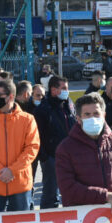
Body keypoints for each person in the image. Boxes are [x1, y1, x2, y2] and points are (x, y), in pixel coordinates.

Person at [55, 94, 112, 210]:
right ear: (78, 119)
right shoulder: (65, 148)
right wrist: (105, 196)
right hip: (80, 218)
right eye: (87, 115)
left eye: (96, 114)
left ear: (104, 115)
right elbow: (67, 187)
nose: (92, 118)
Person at [0, 79, 40, 212]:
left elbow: (32, 148)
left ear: (11, 97)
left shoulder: (27, 120)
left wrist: (12, 170)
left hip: (20, 184)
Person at [34, 76, 76, 209]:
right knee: (50, 194)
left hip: (71, 156)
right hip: (52, 157)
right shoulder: (43, 109)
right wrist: (45, 158)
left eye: (67, 88)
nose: (66, 91)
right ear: (53, 90)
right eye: (63, 88)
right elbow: (36, 136)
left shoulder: (69, 104)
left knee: (71, 192)